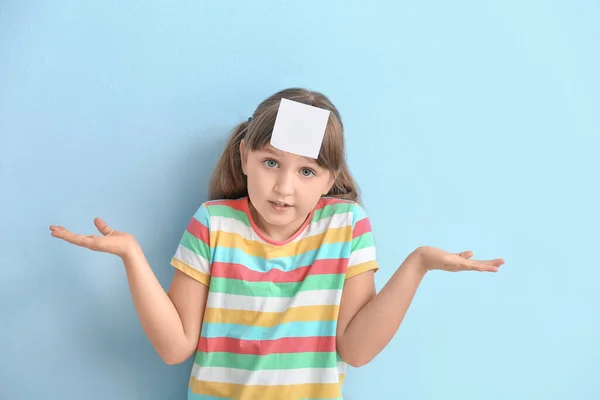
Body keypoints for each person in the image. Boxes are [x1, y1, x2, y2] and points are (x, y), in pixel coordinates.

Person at [49, 87, 504, 399]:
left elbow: (357, 350)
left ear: (331, 179)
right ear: (245, 155)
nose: (284, 188)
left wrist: (417, 265)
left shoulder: (347, 226)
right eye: (270, 162)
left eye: (306, 170)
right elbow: (175, 347)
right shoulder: (214, 225)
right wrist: (132, 256)